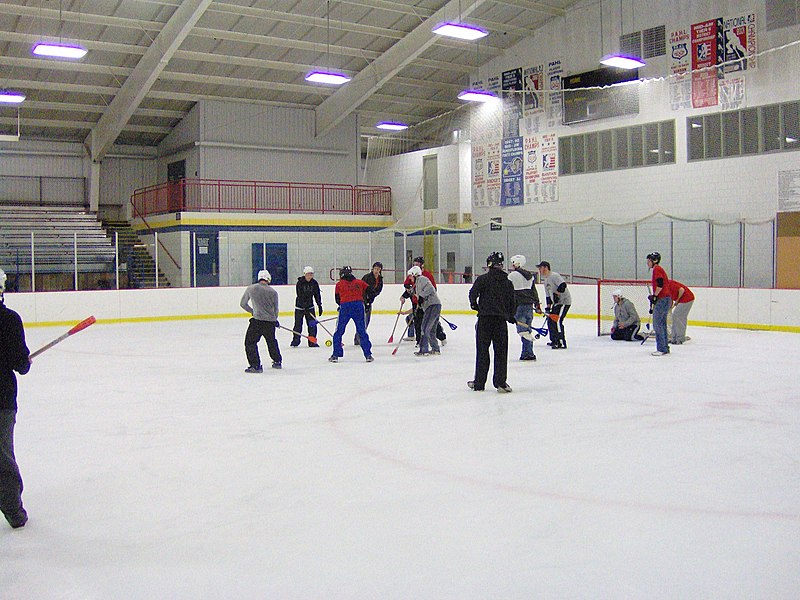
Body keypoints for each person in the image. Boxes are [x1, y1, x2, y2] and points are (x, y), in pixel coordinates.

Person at [0, 268, 31, 529]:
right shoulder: (10, 320)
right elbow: (21, 364)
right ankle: (13, 510)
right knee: (3, 456)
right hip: (3, 400)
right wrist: (24, 360)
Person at [467, 252, 515, 393]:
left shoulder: (483, 279)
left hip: (485, 320)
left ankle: (479, 383)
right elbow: (512, 302)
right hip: (500, 321)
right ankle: (501, 383)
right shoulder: (507, 282)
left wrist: (475, 305)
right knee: (501, 352)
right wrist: (510, 315)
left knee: (482, 351)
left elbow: (472, 294)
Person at [240, 269, 282, 372]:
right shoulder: (273, 292)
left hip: (257, 321)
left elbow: (243, 304)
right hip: (270, 322)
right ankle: (277, 361)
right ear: (268, 279)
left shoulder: (251, 289)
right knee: (271, 341)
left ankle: (255, 365)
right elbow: (275, 309)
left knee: (250, 343)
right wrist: (275, 319)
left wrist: (253, 312)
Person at [330, 266, 373, 363]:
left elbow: (337, 299)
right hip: (358, 306)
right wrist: (367, 303)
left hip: (345, 307)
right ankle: (368, 355)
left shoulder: (339, 284)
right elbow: (371, 291)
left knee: (339, 331)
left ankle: (336, 355)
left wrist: (341, 305)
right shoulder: (359, 282)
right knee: (362, 331)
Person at [402, 257, 446, 345]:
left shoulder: (426, 276)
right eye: (414, 264)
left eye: (417, 264)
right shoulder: (412, 274)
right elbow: (409, 286)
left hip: (425, 303)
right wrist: (404, 295)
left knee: (431, 323)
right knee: (418, 322)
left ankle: (441, 337)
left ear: (422, 265)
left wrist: (423, 298)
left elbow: (432, 289)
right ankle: (419, 341)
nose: (415, 266)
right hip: (416, 303)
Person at [507, 255, 541, 361]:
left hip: (519, 305)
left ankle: (528, 353)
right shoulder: (530, 276)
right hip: (529, 306)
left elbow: (507, 291)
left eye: (513, 263)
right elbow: (533, 291)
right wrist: (537, 304)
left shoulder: (512, 276)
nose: (512, 265)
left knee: (523, 330)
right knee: (527, 329)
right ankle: (528, 351)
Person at [536, 261, 572, 349]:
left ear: (545, 267)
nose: (539, 270)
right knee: (550, 321)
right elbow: (548, 296)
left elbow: (563, 285)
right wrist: (548, 307)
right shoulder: (546, 281)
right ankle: (554, 340)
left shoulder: (554, 276)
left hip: (564, 302)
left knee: (558, 321)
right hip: (556, 304)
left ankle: (561, 342)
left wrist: (557, 293)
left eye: (540, 268)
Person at [647, 252, 671, 356]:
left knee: (657, 324)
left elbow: (660, 284)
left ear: (654, 261)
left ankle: (661, 348)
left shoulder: (657, 269)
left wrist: (655, 296)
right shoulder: (659, 269)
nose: (647, 263)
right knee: (662, 324)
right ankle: (665, 347)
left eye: (649, 261)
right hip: (666, 299)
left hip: (662, 299)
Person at [291, 266, 323, 348]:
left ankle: (312, 342)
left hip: (310, 307)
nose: (309, 276)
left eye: (311, 275)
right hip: (300, 307)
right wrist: (304, 306)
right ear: (304, 274)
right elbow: (300, 295)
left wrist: (319, 305)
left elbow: (317, 295)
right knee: (298, 325)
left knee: (312, 325)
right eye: (308, 275)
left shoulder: (314, 283)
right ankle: (295, 341)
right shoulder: (300, 283)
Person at [355, 261, 383, 346]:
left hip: (369, 301)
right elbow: (361, 289)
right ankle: (358, 338)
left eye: (378, 269)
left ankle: (358, 337)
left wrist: (370, 299)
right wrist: (365, 301)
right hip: (362, 300)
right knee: (362, 320)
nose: (376, 270)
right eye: (375, 269)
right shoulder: (367, 277)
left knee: (367, 320)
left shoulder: (380, 279)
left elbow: (378, 290)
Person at [668, 279, 695, 344]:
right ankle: (674, 337)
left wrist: (677, 300)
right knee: (675, 317)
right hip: (682, 300)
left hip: (687, 299)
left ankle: (680, 338)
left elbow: (681, 290)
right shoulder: (664, 287)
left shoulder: (669, 283)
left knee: (678, 317)